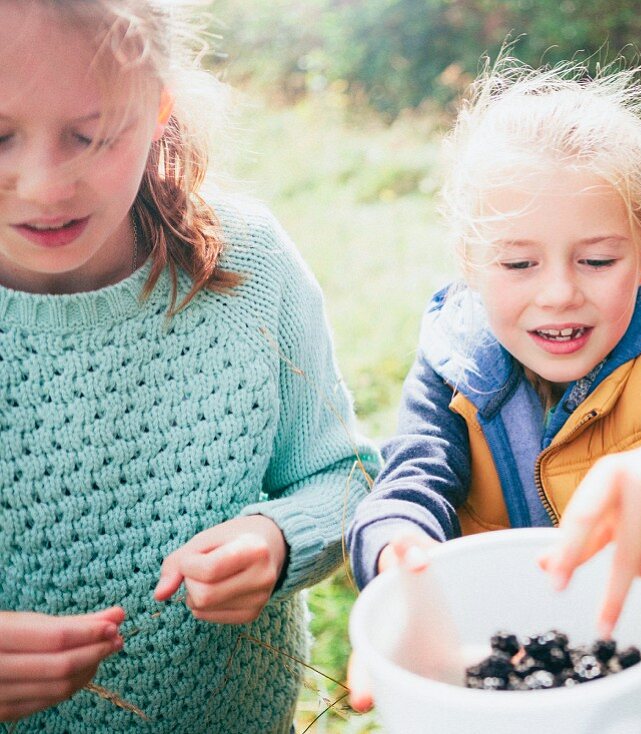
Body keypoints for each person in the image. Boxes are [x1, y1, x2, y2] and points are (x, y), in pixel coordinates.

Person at [343, 59, 641, 734]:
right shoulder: (450, 369)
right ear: (469, 259)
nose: (559, 292)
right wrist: (397, 552)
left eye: (596, 260)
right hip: (492, 698)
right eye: (518, 263)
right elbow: (411, 481)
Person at [0, 1, 379, 730]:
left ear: (157, 111)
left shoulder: (248, 266)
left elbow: (348, 477)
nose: (45, 185)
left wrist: (279, 539)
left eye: (91, 134)